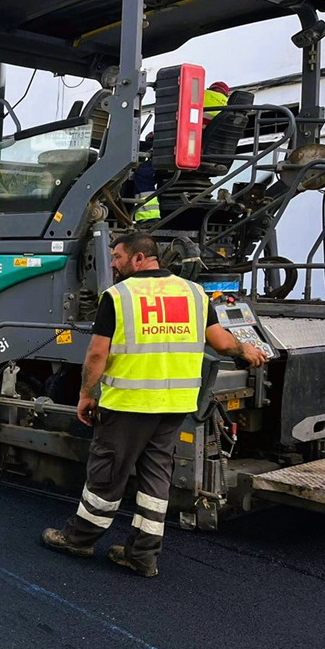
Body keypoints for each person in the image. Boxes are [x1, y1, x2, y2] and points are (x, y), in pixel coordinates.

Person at [41, 232, 266, 577]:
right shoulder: (194, 293)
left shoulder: (118, 296)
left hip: (129, 405)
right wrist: (245, 349)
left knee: (107, 475)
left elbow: (98, 352)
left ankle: (79, 538)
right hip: (174, 406)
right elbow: (220, 340)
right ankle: (143, 555)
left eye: (117, 257)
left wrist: (86, 394)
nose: (113, 263)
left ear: (139, 259)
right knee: (156, 480)